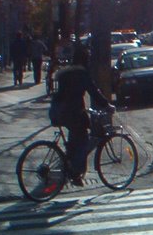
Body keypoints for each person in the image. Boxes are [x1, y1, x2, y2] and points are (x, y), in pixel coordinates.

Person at [49, 43, 114, 185]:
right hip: (73, 113)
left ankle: (70, 167)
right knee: (83, 142)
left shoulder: (66, 73)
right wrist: (106, 105)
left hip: (59, 111)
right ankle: (75, 173)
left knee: (74, 140)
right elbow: (93, 91)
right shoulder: (81, 74)